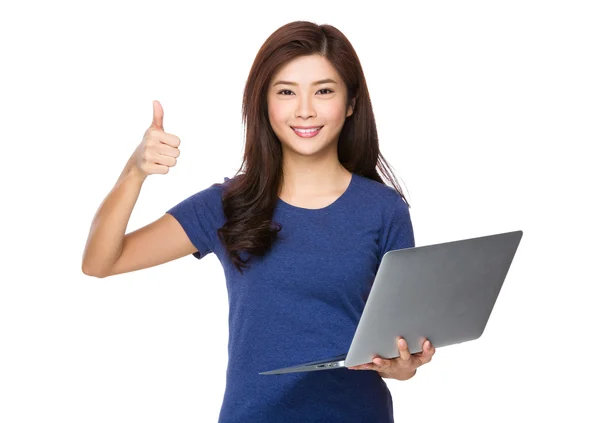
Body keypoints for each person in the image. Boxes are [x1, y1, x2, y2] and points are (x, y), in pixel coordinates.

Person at [82, 20, 435, 423]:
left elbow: (402, 351)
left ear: (351, 102)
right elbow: (100, 262)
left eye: (324, 91)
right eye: (286, 92)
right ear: (264, 103)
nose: (305, 109)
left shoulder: (384, 210)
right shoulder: (227, 204)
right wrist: (134, 172)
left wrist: (403, 366)